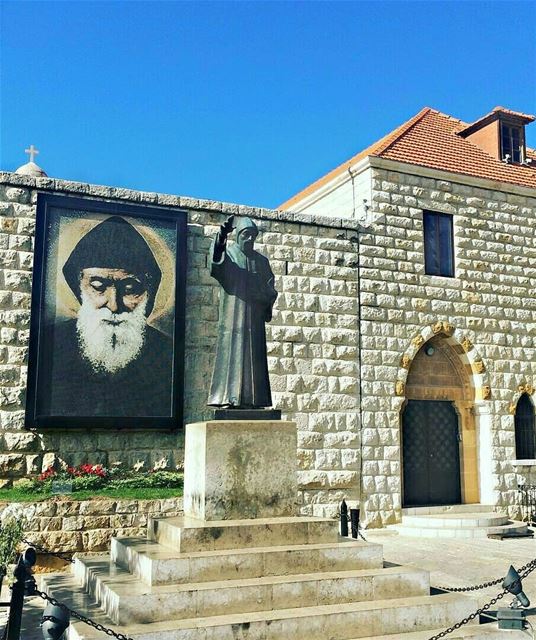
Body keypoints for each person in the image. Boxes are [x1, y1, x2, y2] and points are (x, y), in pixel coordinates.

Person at [42, 216, 173, 417]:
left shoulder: (167, 354)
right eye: (98, 287)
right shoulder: (51, 344)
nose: (113, 305)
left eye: (130, 289)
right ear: (80, 288)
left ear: (149, 294)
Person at [208, 215, 278, 408]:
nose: (250, 240)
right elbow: (216, 265)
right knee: (231, 354)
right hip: (234, 318)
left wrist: (262, 292)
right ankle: (227, 398)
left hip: (254, 319)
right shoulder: (229, 254)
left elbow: (270, 289)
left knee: (255, 359)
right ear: (237, 235)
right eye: (246, 235)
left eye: (253, 236)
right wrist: (222, 236)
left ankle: (256, 401)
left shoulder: (262, 262)